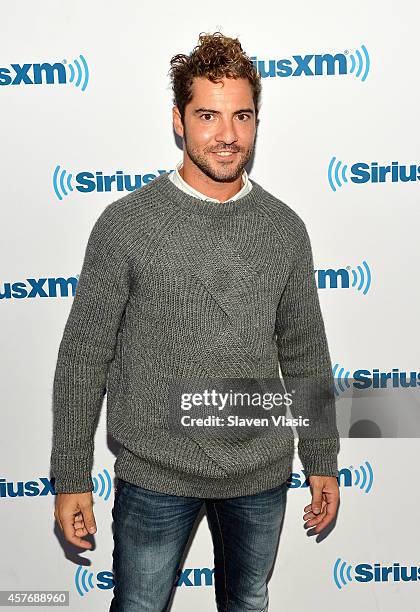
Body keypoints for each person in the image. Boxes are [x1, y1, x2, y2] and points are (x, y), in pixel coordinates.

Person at [51, 31, 340, 611]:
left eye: (242, 116)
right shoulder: (125, 224)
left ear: (257, 121)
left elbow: (305, 352)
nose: (227, 135)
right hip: (155, 475)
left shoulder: (284, 229)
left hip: (259, 473)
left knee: (248, 603)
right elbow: (84, 358)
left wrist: (322, 459)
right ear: (179, 121)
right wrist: (70, 475)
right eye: (208, 115)